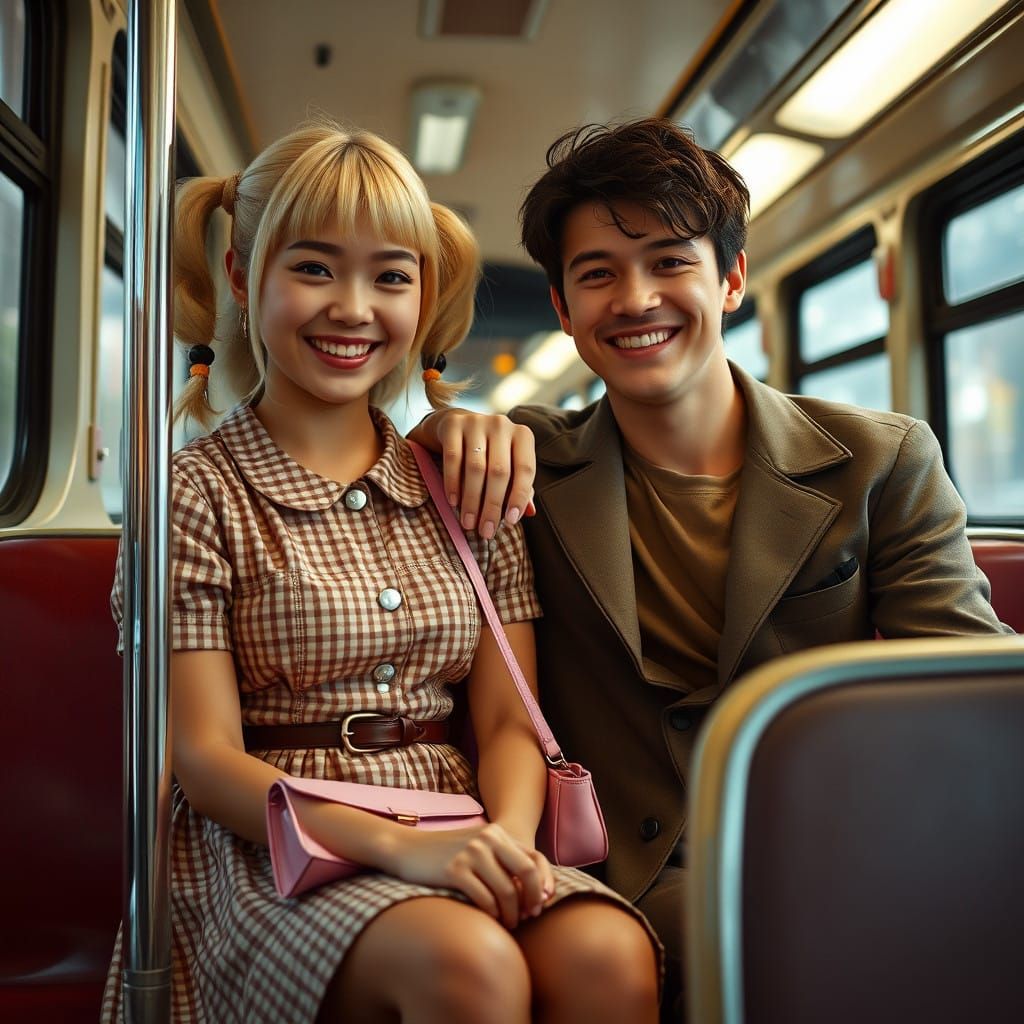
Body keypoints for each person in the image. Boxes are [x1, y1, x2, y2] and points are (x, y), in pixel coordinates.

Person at [410, 117, 1014, 1020]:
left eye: (669, 262)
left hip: (830, 847)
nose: (635, 298)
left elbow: (966, 686)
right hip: (617, 872)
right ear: (564, 309)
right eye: (598, 274)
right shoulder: (526, 463)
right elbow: (405, 471)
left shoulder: (878, 461)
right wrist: (441, 429)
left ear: (730, 278)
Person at [101, 119, 662, 1024]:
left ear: (421, 296)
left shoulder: (463, 484)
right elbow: (202, 762)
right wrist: (401, 851)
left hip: (458, 819)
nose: (353, 308)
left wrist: (509, 847)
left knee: (606, 950)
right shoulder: (195, 494)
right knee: (465, 966)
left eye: (390, 277)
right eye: (314, 268)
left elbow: (510, 723)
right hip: (272, 841)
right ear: (245, 277)